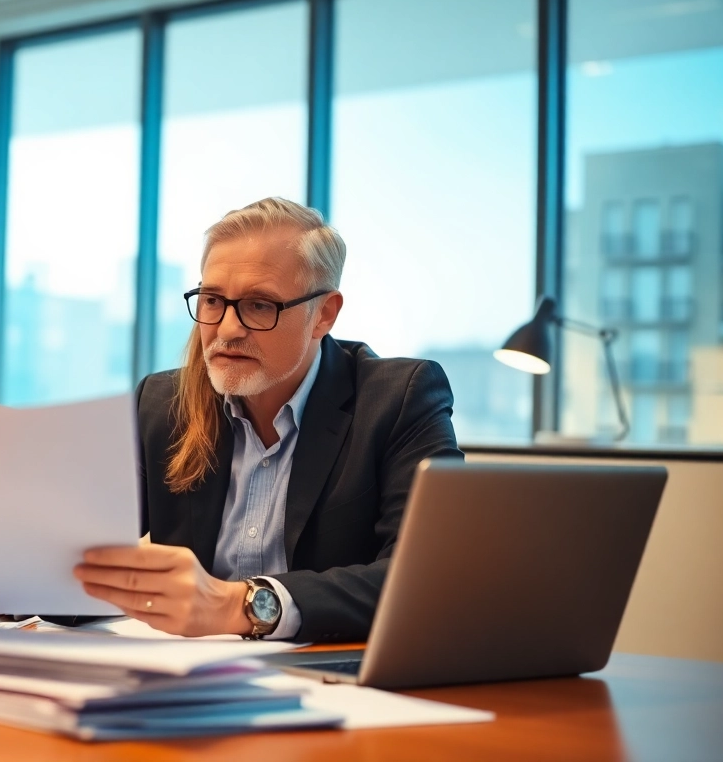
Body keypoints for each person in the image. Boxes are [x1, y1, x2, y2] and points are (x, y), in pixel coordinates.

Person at [75, 197, 462, 642]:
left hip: (329, 675)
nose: (227, 329)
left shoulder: (399, 398)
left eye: (259, 305)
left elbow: (425, 577)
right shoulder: (162, 402)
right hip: (188, 675)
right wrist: (7, 589)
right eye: (213, 300)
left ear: (325, 314)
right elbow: (79, 555)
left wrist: (245, 605)